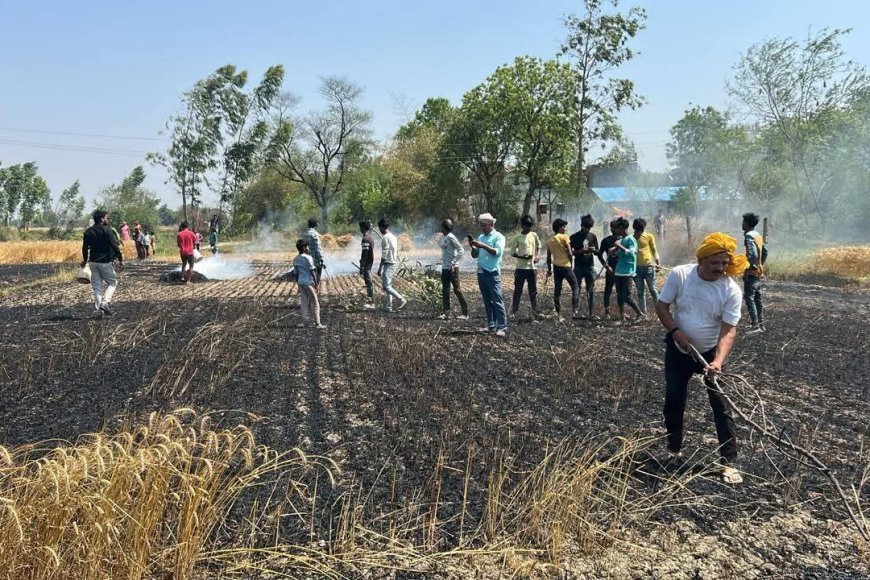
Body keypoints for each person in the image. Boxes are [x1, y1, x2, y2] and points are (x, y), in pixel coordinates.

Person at [655, 232, 747, 484]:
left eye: (724, 263)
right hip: (679, 349)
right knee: (674, 400)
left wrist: (717, 361)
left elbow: (729, 331)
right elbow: (662, 306)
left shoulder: (731, 290)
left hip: (710, 354)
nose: (720, 268)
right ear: (701, 260)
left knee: (721, 406)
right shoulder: (681, 275)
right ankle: (674, 447)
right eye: (714, 263)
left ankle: (728, 462)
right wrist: (675, 332)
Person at [470, 212, 507, 336]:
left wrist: (482, 246)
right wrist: (474, 248)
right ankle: (491, 324)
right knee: (487, 300)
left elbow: (497, 252)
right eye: (481, 225)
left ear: (491, 224)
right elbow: (475, 255)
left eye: (484, 225)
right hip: (481, 271)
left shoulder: (498, 237)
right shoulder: (481, 237)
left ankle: (502, 326)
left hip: (492, 272)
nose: (482, 228)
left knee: (497, 300)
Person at [81, 209, 123, 316]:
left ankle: (98, 310)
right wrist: (120, 258)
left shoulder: (88, 232)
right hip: (104, 262)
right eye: (106, 218)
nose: (107, 220)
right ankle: (105, 302)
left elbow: (85, 248)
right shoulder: (107, 230)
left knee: (96, 286)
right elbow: (114, 246)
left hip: (93, 262)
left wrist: (85, 260)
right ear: (102, 218)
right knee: (112, 282)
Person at [609, 217, 643, 324]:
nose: (617, 231)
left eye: (618, 229)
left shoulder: (631, 239)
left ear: (623, 228)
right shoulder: (622, 240)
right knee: (619, 295)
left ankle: (640, 314)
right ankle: (622, 317)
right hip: (619, 270)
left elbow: (632, 253)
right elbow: (619, 255)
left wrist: (619, 246)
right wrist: (613, 251)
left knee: (627, 296)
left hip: (628, 271)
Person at [508, 214, 541, 319]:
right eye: (526, 226)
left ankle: (535, 311)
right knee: (518, 290)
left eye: (529, 226)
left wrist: (537, 256)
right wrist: (521, 256)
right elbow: (512, 252)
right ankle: (514, 311)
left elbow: (538, 246)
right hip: (521, 268)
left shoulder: (534, 235)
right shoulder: (517, 237)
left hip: (532, 268)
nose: (528, 228)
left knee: (533, 290)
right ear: (522, 226)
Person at [547, 218, 579, 320]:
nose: (565, 229)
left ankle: (558, 313)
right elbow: (570, 253)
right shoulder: (564, 237)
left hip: (556, 267)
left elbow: (548, 258)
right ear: (559, 228)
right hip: (566, 266)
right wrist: (571, 264)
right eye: (564, 227)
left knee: (557, 290)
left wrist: (549, 269)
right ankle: (574, 310)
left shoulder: (550, 241)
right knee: (575, 286)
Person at [569, 214, 599, 320]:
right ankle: (574, 310)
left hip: (590, 267)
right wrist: (580, 251)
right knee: (576, 288)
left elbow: (597, 252)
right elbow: (570, 252)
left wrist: (592, 250)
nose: (587, 229)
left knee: (590, 289)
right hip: (578, 267)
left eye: (589, 228)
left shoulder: (593, 236)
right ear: (581, 225)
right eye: (586, 227)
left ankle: (591, 312)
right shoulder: (573, 237)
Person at [438, 219, 469, 320]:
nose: (441, 228)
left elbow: (461, 250)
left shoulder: (451, 237)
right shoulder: (443, 238)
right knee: (445, 290)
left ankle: (465, 313)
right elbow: (446, 250)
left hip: (452, 268)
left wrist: (453, 262)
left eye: (442, 227)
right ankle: (446, 312)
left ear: (445, 228)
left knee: (457, 290)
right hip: (444, 267)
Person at [742, 212, 767, 333]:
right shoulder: (757, 235)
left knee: (749, 297)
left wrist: (749, 268)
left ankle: (755, 325)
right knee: (757, 298)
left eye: (743, 222)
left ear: (746, 223)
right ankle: (761, 324)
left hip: (752, 272)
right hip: (758, 271)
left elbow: (752, 255)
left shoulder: (748, 236)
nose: (742, 224)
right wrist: (760, 264)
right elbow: (765, 251)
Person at [293, 239, 326, 329]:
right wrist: (316, 283)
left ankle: (305, 323)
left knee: (304, 303)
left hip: (301, 282)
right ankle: (318, 324)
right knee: (315, 303)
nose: (308, 248)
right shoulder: (308, 258)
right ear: (304, 247)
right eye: (307, 246)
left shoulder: (295, 259)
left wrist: (298, 283)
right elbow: (312, 271)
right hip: (308, 282)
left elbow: (296, 274)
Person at [376, 218, 407, 312]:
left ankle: (401, 299)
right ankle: (387, 307)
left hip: (388, 264)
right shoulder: (393, 237)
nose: (379, 230)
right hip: (393, 263)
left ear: (381, 227)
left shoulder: (385, 238)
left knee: (386, 286)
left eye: (379, 228)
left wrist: (380, 268)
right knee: (388, 285)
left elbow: (384, 254)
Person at [633, 218, 661, 317]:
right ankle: (643, 314)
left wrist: (657, 261)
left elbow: (654, 250)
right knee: (640, 292)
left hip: (649, 267)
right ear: (634, 229)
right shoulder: (631, 239)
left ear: (643, 229)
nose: (638, 232)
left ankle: (661, 312)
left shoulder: (649, 236)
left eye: (640, 230)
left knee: (653, 290)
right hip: (636, 269)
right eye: (637, 230)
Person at [597, 220, 621, 319]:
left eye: (617, 227)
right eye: (613, 227)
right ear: (611, 228)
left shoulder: (623, 240)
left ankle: (622, 313)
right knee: (608, 291)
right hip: (610, 270)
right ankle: (607, 313)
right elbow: (599, 255)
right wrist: (607, 267)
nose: (615, 229)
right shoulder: (606, 240)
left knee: (621, 292)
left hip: (621, 270)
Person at [359, 220, 375, 308]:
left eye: (360, 227)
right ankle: (370, 300)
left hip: (367, 264)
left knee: (368, 282)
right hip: (370, 262)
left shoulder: (365, 239)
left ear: (363, 228)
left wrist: (362, 266)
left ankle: (371, 302)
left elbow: (365, 253)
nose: (360, 229)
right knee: (369, 282)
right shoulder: (371, 238)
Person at [303, 218, 325, 285]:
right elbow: (318, 248)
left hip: (306, 258)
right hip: (314, 259)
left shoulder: (304, 234)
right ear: (316, 224)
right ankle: (316, 286)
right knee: (317, 273)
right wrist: (321, 259)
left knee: (309, 275)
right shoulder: (315, 235)